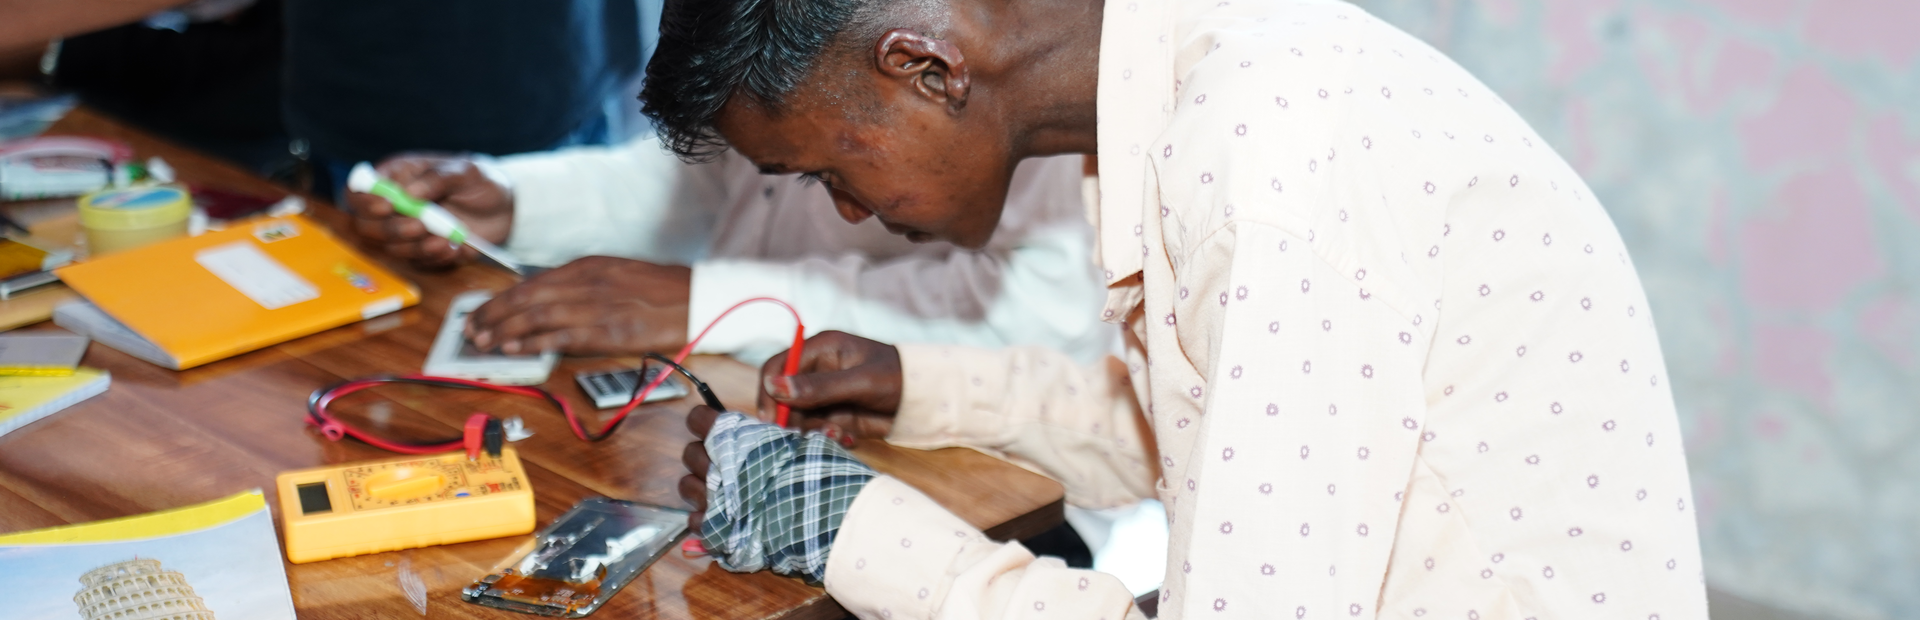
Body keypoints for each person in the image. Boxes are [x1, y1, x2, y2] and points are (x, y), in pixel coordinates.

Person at [645, 0, 1710, 618]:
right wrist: (921, 388)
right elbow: (1212, 436)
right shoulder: (1199, 71)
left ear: (923, 64)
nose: (847, 210)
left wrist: (851, 526)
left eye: (829, 166)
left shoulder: (1269, 175)